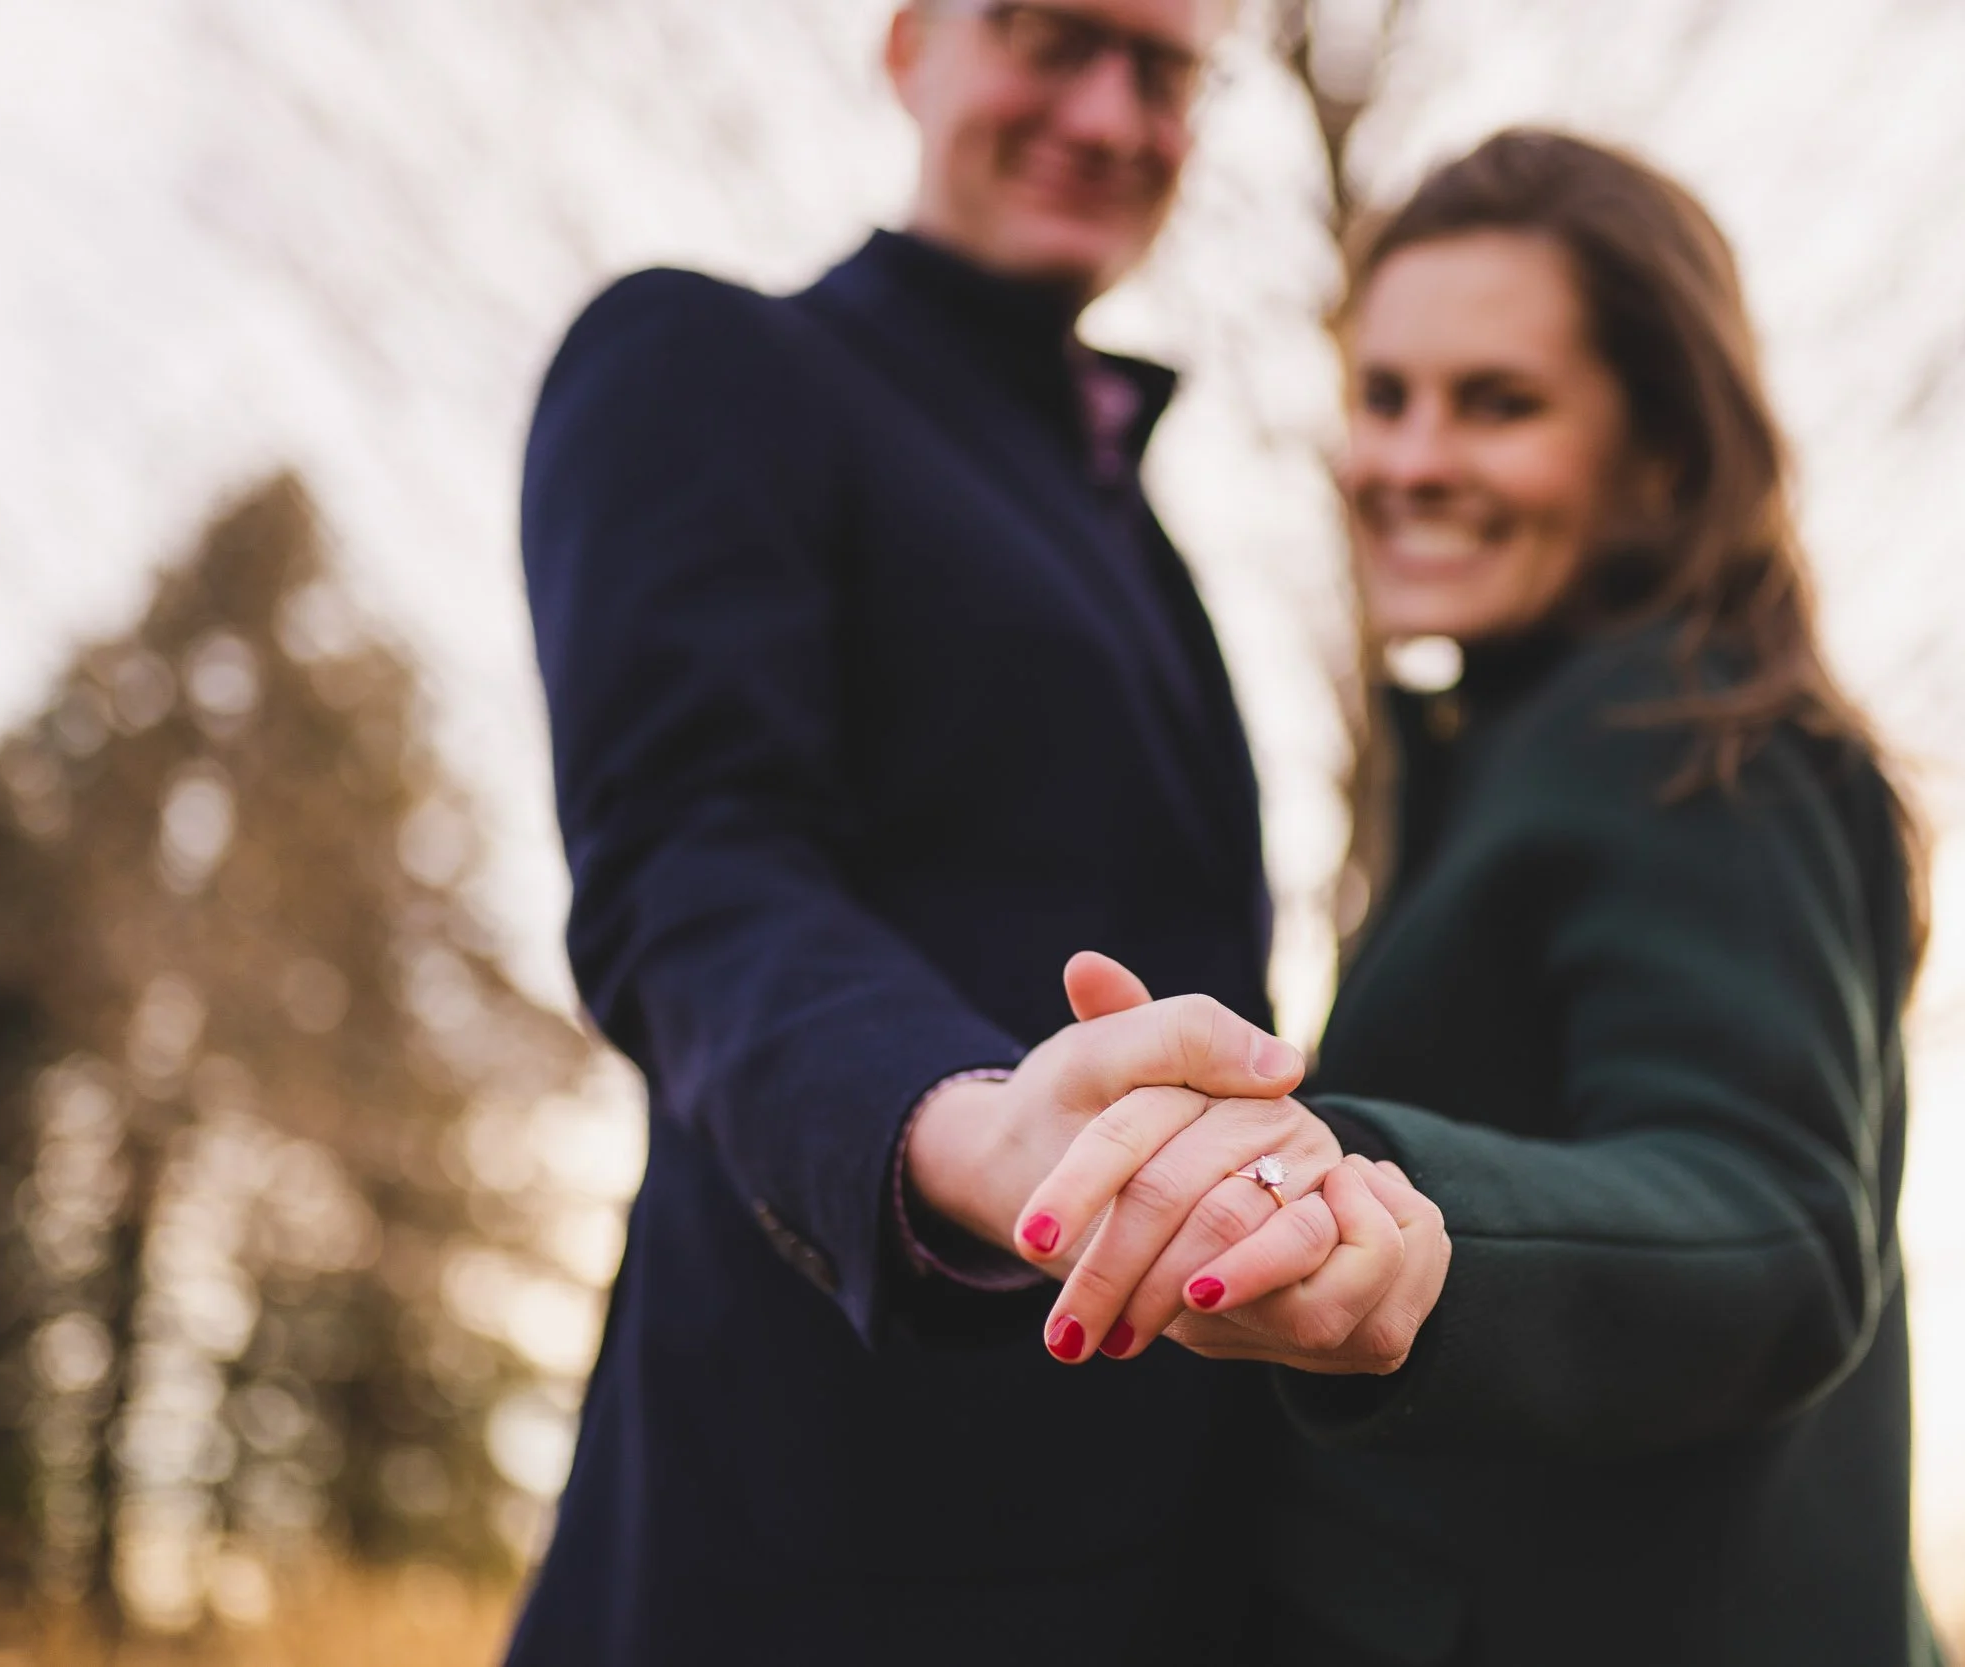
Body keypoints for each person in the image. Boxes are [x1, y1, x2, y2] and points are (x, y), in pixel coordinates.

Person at [501, 1, 1434, 1660]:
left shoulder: (1135, 524)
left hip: (1155, 1564)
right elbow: (692, 872)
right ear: (910, 44)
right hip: (813, 1563)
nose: (1104, 112)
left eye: (1161, 70)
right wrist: (961, 1126)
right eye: (1047, 36)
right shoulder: (710, 363)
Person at [1014, 130, 1941, 1664]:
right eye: (1384, 396)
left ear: (1659, 453)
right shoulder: (1502, 753)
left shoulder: (1705, 738)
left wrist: (1364, 1192)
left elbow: (1770, 1217)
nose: (1411, 458)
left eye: (1498, 404)